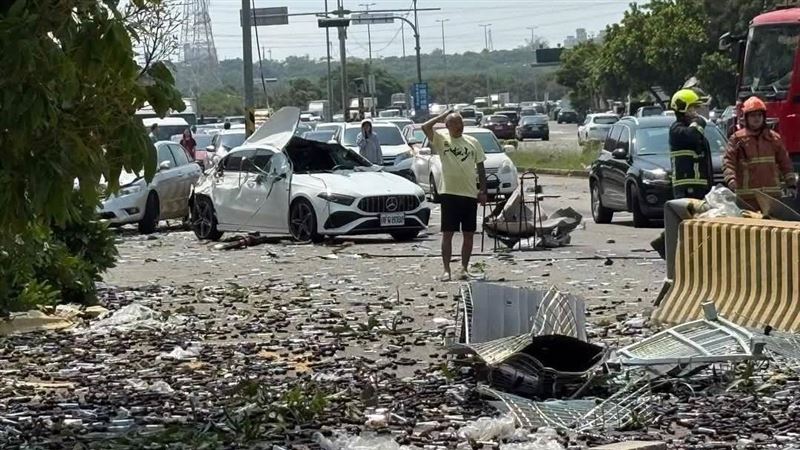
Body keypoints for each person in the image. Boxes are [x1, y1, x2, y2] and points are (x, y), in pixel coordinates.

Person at [422, 109, 488, 281]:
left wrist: (483, 190)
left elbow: (481, 168)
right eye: (455, 123)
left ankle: (464, 268)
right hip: (450, 194)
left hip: (469, 194)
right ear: (448, 125)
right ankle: (446, 270)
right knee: (448, 233)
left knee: (468, 234)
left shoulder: (473, 142)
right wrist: (442, 116)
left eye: (461, 122)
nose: (460, 126)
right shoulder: (442, 140)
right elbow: (425, 127)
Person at [723, 96, 798, 209]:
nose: (756, 118)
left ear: (764, 117)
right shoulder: (737, 139)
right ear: (746, 118)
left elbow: (785, 163)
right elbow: (728, 161)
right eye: (753, 115)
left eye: (759, 115)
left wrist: (791, 184)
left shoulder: (774, 139)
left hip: (772, 199)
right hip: (747, 200)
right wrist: (731, 179)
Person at [669, 89, 714, 200]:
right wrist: (699, 122)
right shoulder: (676, 129)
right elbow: (692, 135)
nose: (695, 112)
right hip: (686, 188)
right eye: (692, 108)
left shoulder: (690, 127)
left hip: (699, 186)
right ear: (682, 108)